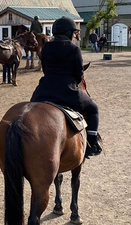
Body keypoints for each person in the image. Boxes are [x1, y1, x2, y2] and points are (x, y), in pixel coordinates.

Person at [30, 16, 102, 157]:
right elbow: (78, 75)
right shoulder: (73, 49)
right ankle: (91, 143)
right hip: (68, 91)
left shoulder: (45, 48)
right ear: (69, 33)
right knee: (93, 109)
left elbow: (45, 69)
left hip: (43, 91)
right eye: (74, 33)